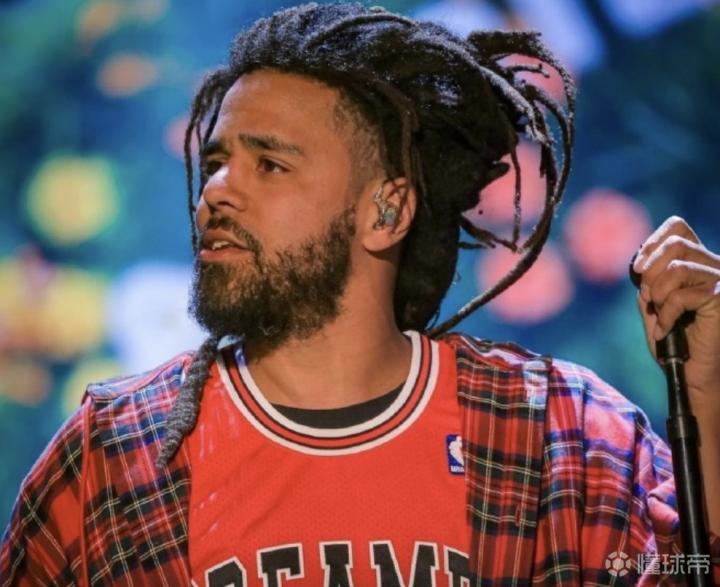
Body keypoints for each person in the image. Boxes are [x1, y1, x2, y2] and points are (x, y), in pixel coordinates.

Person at [2, 3, 719, 585]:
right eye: (216, 162)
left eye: (270, 163)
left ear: (386, 211)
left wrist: (711, 399)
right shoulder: (113, 452)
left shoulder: (561, 432)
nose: (216, 191)